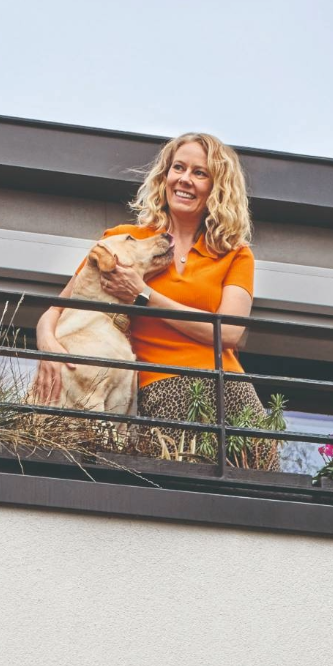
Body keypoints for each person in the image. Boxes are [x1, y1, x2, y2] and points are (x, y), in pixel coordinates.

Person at [29, 133, 261, 439]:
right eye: (178, 168)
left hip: (230, 390)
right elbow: (58, 310)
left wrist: (143, 295)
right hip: (161, 389)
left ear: (216, 188)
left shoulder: (236, 253)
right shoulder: (124, 242)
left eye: (199, 173)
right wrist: (49, 347)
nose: (185, 179)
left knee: (260, 484)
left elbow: (229, 332)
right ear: (165, 176)